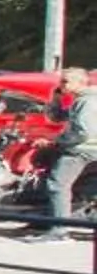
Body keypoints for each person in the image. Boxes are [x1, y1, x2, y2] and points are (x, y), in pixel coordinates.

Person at [31, 66, 94, 237]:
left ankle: (59, 231)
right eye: (61, 82)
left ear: (81, 82)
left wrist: (53, 142)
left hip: (81, 151)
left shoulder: (88, 101)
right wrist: (56, 98)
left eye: (66, 82)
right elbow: (58, 116)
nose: (62, 85)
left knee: (58, 185)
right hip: (85, 149)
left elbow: (83, 132)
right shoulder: (81, 99)